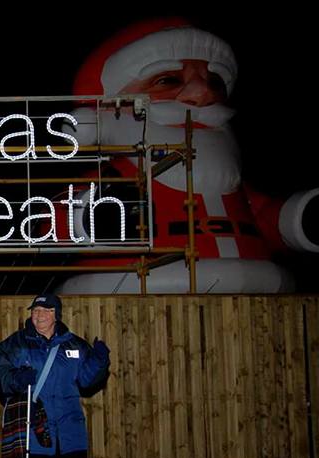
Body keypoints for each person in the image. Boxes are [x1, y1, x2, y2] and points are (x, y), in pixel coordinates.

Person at [59, 18, 316, 293]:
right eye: (167, 80)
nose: (204, 94)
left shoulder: (234, 185)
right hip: (138, 289)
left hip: (255, 291)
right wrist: (94, 218)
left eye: (215, 82)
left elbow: (267, 219)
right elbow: (57, 223)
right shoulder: (112, 181)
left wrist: (298, 218)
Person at [0, 294, 110, 458]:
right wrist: (15, 379)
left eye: (46, 311)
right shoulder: (14, 344)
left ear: (57, 314)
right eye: (36, 311)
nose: (39, 315)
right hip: (32, 423)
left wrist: (99, 362)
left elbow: (86, 382)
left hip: (68, 425)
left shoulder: (75, 345)